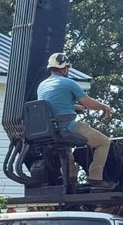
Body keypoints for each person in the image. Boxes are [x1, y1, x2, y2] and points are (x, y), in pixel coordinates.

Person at [37, 52, 114, 190]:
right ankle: (96, 178)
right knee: (103, 142)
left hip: (53, 129)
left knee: (66, 147)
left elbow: (51, 105)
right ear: (64, 68)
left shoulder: (42, 86)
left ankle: (71, 179)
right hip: (68, 126)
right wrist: (103, 106)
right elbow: (89, 103)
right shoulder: (69, 83)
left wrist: (73, 106)